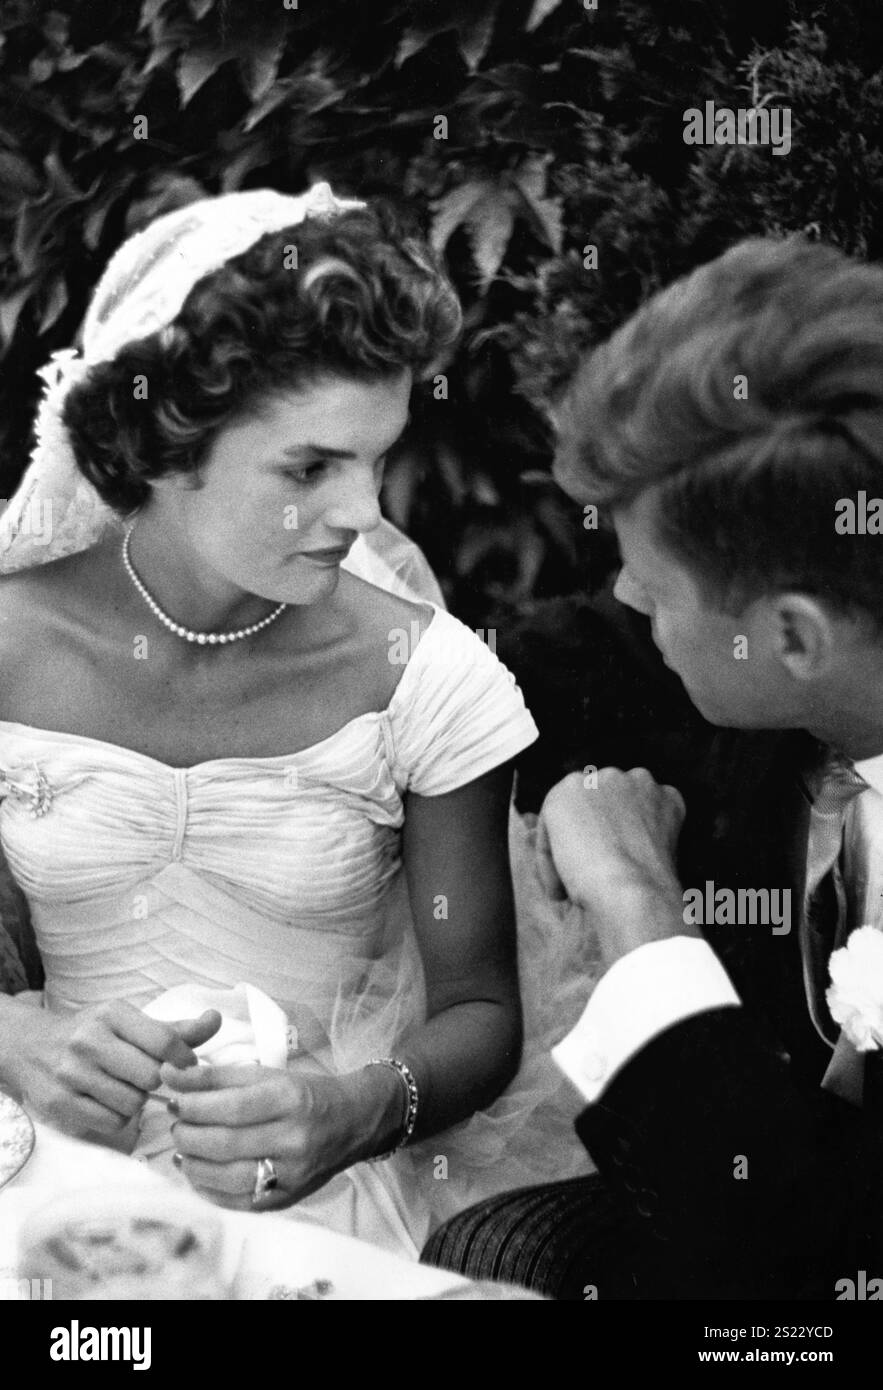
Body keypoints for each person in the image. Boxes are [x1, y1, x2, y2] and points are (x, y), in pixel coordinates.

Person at [0, 182, 593, 1259]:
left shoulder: (426, 676)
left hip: (318, 1206)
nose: (364, 512)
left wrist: (350, 1112)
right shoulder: (9, 641)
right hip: (37, 1177)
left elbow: (480, 1009)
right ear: (165, 443)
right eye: (309, 467)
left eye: (378, 456)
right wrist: (9, 1036)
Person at [422, 234, 883, 1298]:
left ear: (795, 638)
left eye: (652, 586)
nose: (636, 613)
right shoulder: (799, 688)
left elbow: (776, 1256)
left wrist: (637, 904)